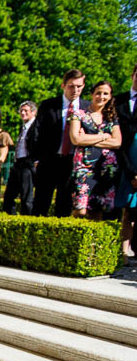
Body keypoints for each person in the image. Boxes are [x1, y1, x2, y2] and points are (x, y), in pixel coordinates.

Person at [33, 69, 90, 217]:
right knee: (40, 204)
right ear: (63, 85)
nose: (75, 90)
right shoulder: (49, 105)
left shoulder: (88, 108)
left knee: (64, 206)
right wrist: (37, 158)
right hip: (49, 161)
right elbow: (36, 133)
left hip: (73, 162)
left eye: (79, 86)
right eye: (71, 86)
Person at [68, 81, 121, 219]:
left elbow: (117, 142)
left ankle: (92, 240)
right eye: (98, 93)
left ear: (110, 96)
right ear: (92, 94)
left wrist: (87, 138)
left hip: (105, 169)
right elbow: (76, 139)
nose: (101, 96)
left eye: (105, 94)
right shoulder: (79, 114)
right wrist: (103, 136)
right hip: (84, 168)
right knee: (81, 210)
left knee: (98, 209)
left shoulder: (111, 118)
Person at [113, 65, 137, 263]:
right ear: (133, 75)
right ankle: (116, 250)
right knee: (118, 209)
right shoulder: (117, 100)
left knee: (133, 209)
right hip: (117, 159)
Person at [3, 101, 39, 215]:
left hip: (28, 163)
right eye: (21, 111)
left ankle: (27, 220)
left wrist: (35, 161)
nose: (23, 113)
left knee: (26, 197)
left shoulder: (37, 126)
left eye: (26, 111)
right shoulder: (23, 127)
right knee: (9, 195)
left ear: (33, 112)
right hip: (18, 162)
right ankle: (9, 219)